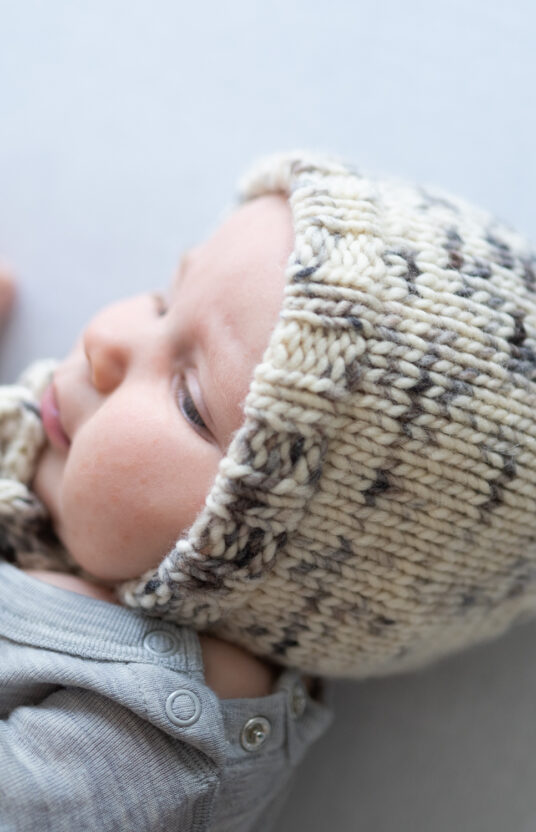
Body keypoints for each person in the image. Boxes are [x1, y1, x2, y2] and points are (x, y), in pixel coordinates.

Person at [1, 149, 536, 830]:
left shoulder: (152, 751)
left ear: (244, 560)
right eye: (166, 297)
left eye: (190, 401)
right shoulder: (49, 482)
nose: (106, 336)